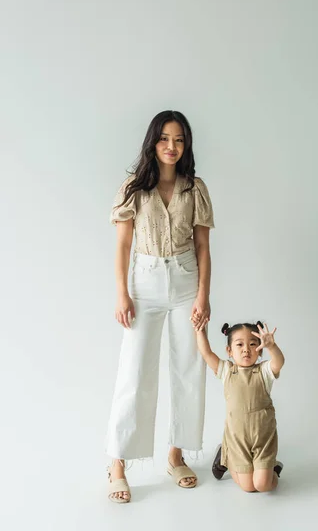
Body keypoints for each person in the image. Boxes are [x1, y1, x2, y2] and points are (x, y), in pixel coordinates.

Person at [105, 110, 214, 503]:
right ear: (153, 142)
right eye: (165, 139)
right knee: (134, 371)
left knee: (189, 367)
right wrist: (122, 293)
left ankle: (177, 454)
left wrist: (203, 294)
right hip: (144, 282)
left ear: (186, 145)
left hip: (186, 279)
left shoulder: (194, 188)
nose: (172, 146)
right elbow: (121, 246)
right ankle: (117, 463)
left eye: (179, 139)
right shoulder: (134, 188)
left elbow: (203, 247)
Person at [195, 320, 285, 493]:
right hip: (237, 439)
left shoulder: (264, 371)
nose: (246, 349)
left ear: (259, 350)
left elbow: (279, 362)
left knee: (262, 485)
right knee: (249, 487)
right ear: (229, 351)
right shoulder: (227, 371)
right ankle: (226, 455)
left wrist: (272, 346)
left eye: (253, 344)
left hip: (263, 438)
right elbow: (206, 353)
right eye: (240, 344)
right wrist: (199, 330)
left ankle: (272, 469)